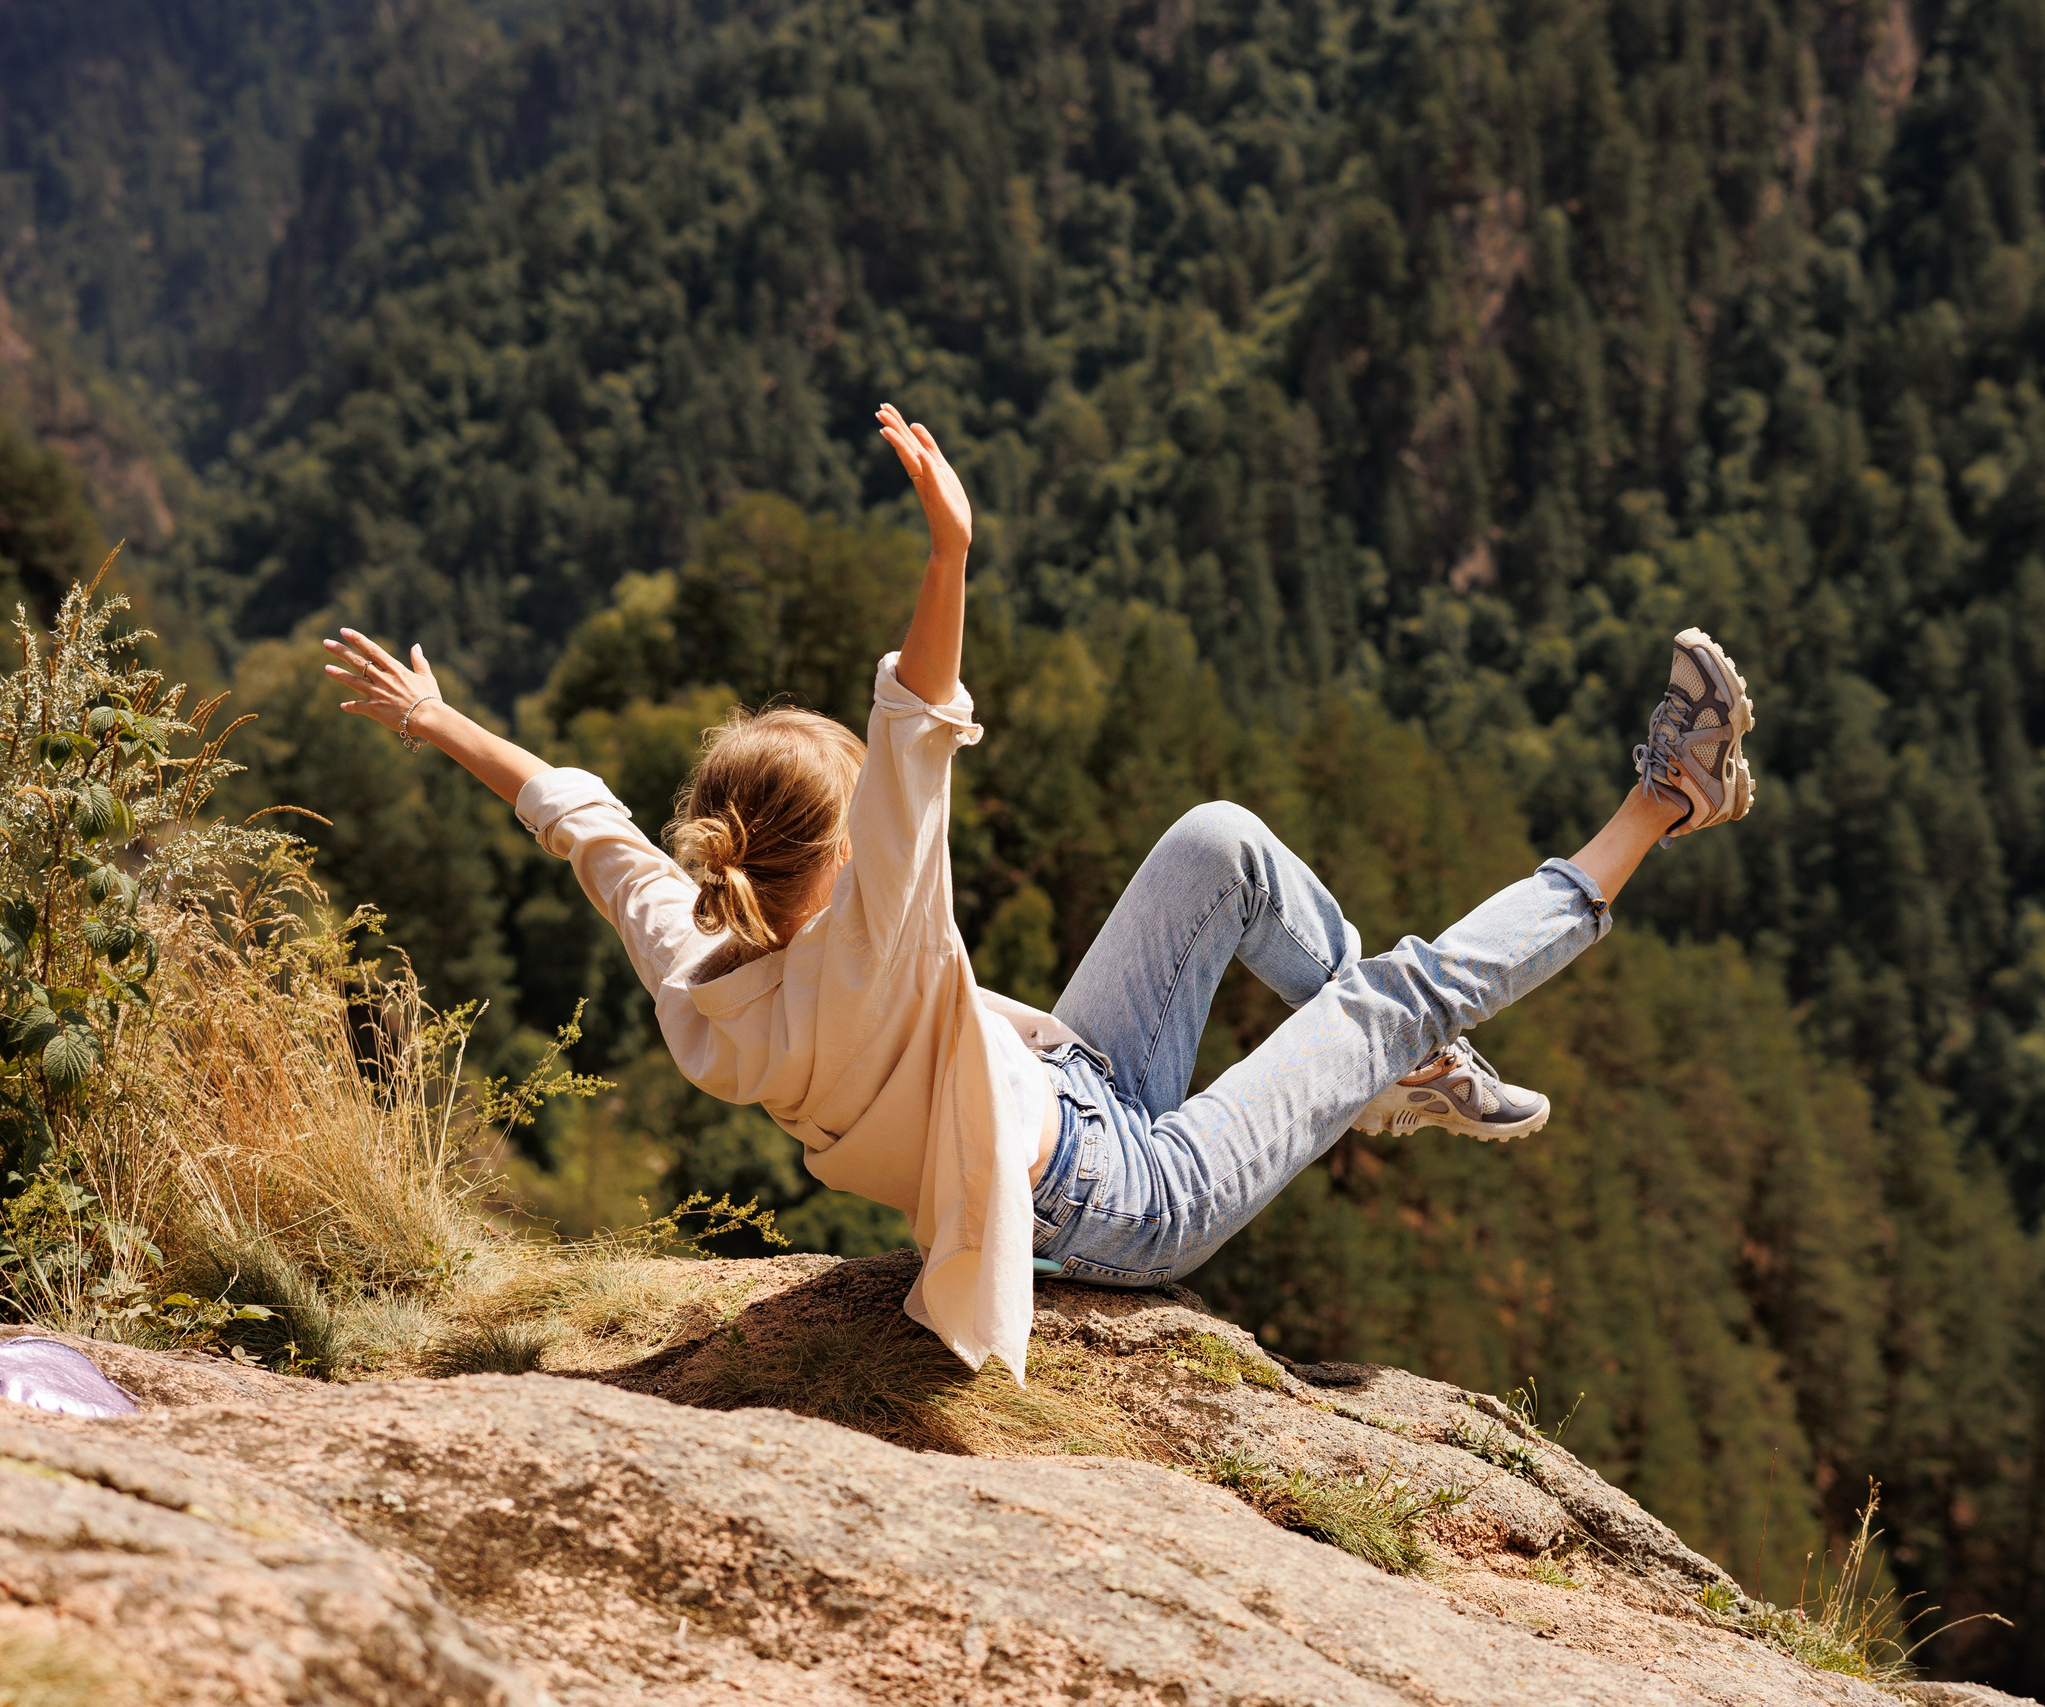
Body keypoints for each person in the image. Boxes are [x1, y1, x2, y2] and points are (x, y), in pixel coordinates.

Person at [320, 404, 1756, 1380]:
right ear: (835, 854)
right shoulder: (868, 936)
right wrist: (949, 552)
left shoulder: (697, 947)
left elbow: (584, 822)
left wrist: (437, 721)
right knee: (1393, 988)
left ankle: (1414, 1071)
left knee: (1219, 844)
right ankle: (1668, 800)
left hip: (1076, 1085)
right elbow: (915, 724)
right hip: (1126, 1202)